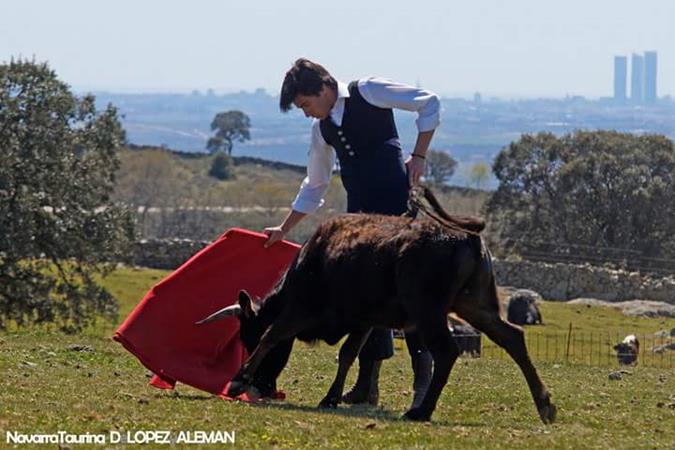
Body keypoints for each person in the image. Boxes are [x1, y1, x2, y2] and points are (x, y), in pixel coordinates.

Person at [263, 58, 440, 409]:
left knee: (409, 294)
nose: (306, 113)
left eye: (305, 105)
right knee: (364, 299)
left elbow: (429, 102)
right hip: (358, 222)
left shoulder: (370, 91)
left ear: (324, 88)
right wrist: (284, 229)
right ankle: (366, 388)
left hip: (398, 213)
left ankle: (423, 383)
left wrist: (419, 155)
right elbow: (315, 186)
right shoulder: (321, 130)